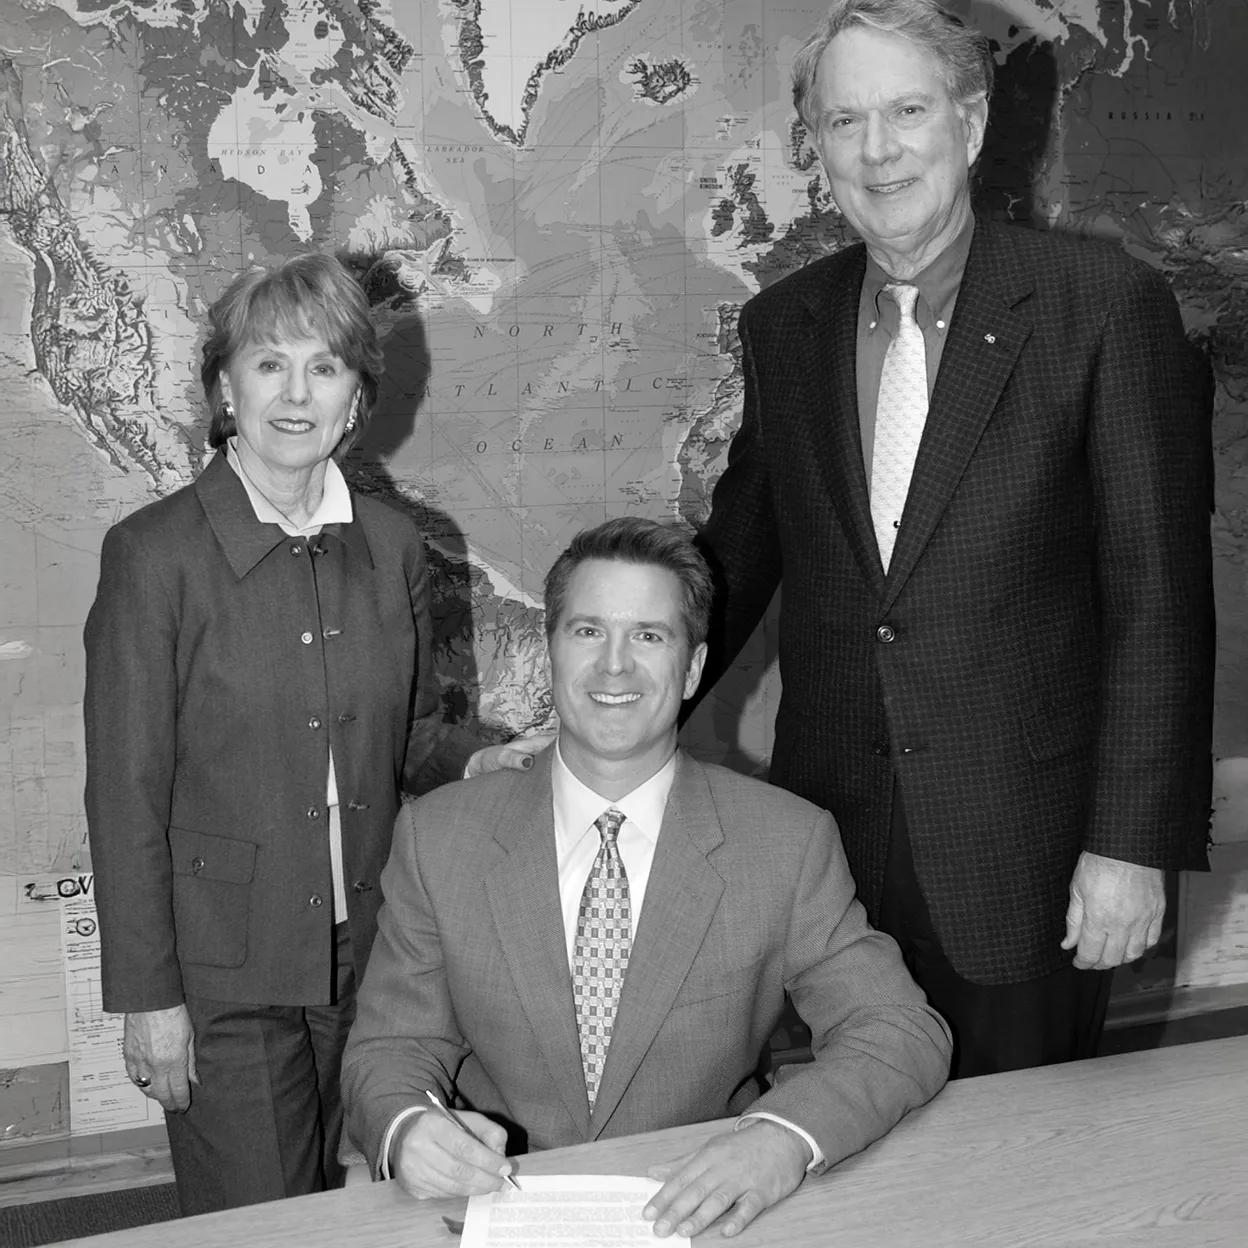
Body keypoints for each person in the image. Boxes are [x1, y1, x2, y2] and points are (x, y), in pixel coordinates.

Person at [694, 0, 1214, 1078]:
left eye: (907, 111)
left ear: (971, 125)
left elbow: (1158, 600)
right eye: (844, 121)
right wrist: (604, 715)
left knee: (1012, 1178)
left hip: (1025, 858)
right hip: (828, 849)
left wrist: (1128, 845)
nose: (876, 150)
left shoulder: (1100, 307)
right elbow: (735, 560)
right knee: (845, 1159)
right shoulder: (783, 325)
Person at [83, 253, 547, 1214]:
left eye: (325, 367)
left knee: (376, 1208)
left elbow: (411, 733)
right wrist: (146, 1000)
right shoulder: (152, 556)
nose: (296, 394)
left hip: (373, 959)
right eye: (268, 364)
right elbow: (123, 792)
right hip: (223, 973)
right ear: (225, 386)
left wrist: (480, 758)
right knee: (262, 1224)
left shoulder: (392, 544)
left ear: (356, 396)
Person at [341, 517, 951, 1240]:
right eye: (589, 632)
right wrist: (409, 1128)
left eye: (650, 637)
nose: (615, 667)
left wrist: (782, 1139)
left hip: (696, 1210)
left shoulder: (784, 840)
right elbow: (389, 1050)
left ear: (691, 669)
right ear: (552, 650)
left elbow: (899, 1029)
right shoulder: (440, 837)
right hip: (495, 1212)